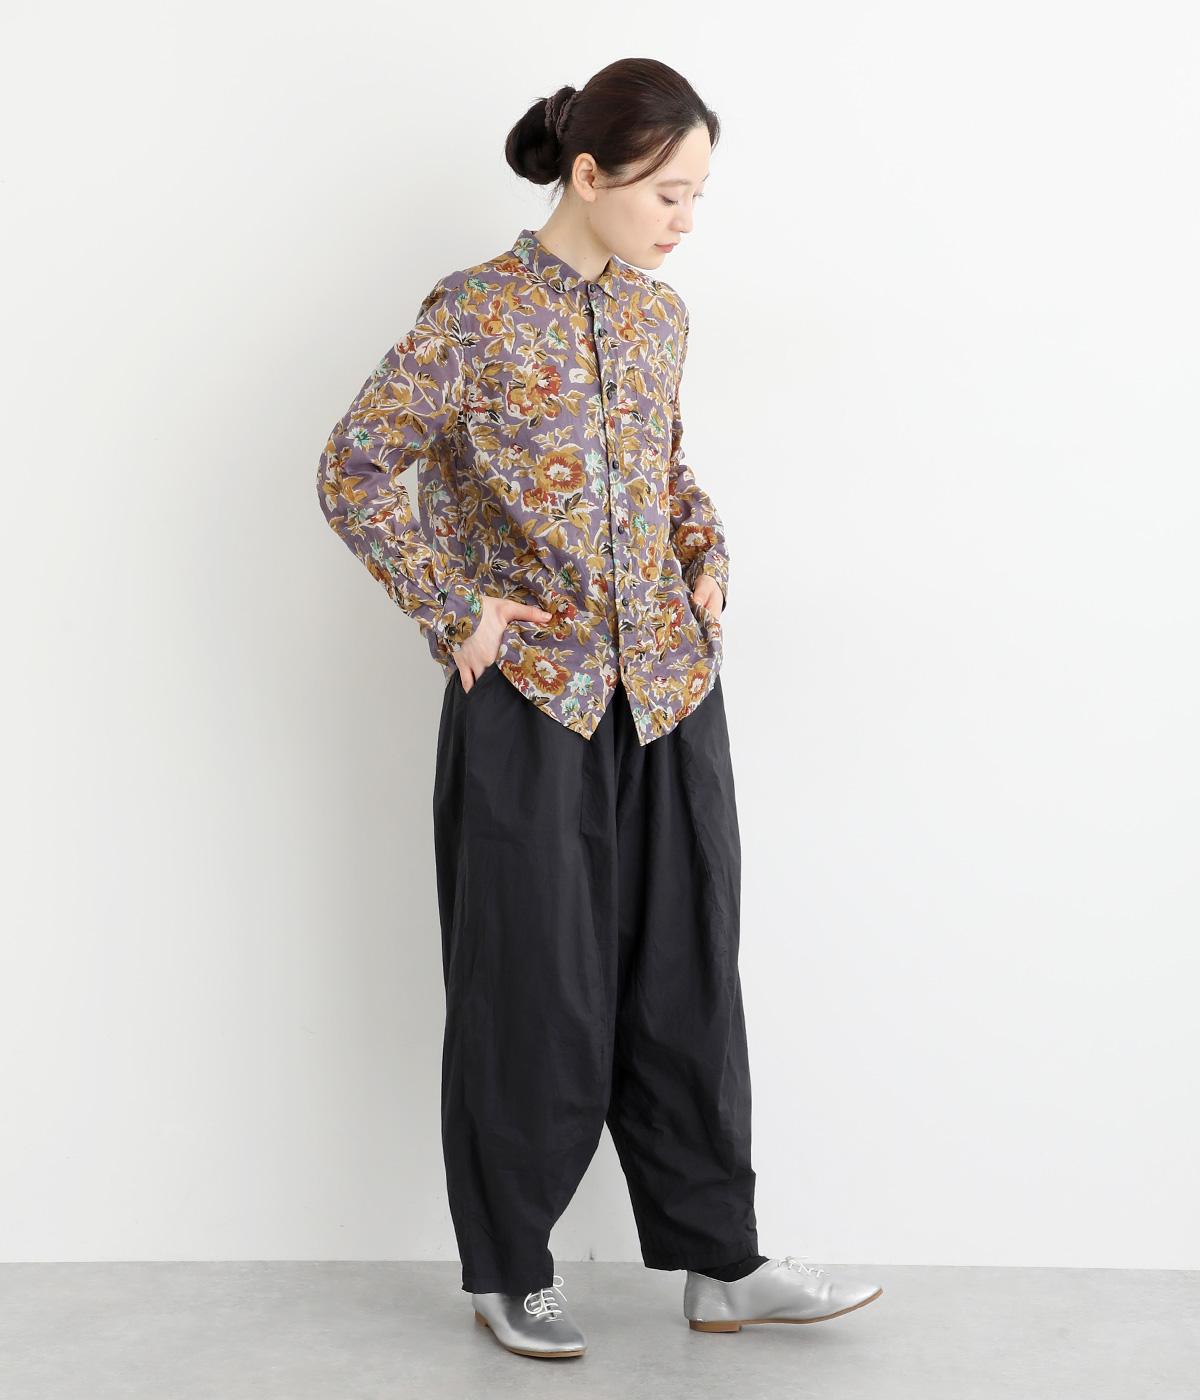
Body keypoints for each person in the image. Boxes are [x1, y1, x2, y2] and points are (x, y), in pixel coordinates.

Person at [316, 56, 882, 1361]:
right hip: (536, 698)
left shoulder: (657, 318)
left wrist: (706, 556)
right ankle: (511, 1268)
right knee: (533, 985)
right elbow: (355, 466)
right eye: (668, 191)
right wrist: (452, 608)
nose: (686, 218)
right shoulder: (474, 312)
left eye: (698, 194)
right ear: (588, 173)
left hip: (671, 693)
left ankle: (722, 1262)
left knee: (688, 982)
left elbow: (666, 471)